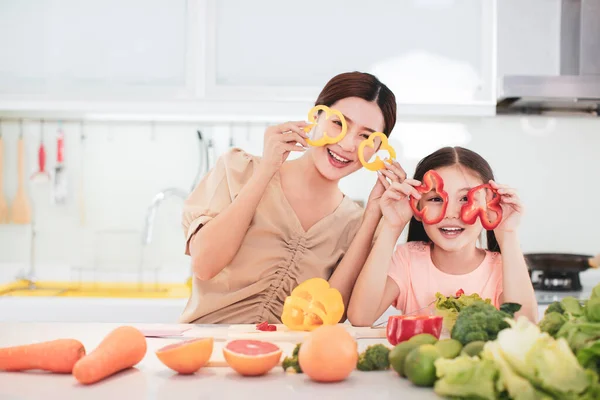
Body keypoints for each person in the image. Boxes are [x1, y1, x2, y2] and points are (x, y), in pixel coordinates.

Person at [179, 71, 407, 324]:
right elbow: (205, 265)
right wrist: (267, 169)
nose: (348, 144)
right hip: (208, 348)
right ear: (316, 116)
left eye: (366, 136)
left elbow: (333, 315)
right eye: (338, 123)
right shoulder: (237, 170)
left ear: (377, 148)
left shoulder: (356, 222)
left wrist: (373, 217)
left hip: (290, 359)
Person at [347, 146, 538, 327]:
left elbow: (526, 324)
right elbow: (360, 317)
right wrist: (392, 226)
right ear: (417, 206)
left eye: (465, 199)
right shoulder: (407, 261)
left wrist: (508, 234)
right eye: (436, 199)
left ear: (489, 205)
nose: (451, 213)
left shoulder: (502, 268)